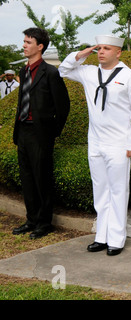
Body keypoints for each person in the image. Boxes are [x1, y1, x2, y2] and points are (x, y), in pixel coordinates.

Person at [58, 35, 131, 256]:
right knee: (100, 190)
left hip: (119, 143)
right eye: (99, 48)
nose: (101, 52)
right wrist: (82, 53)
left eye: (107, 48)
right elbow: (63, 70)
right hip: (95, 142)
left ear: (118, 52)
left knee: (118, 191)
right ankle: (102, 236)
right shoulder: (89, 73)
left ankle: (116, 239)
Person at [12, 28, 70, 239]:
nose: (24, 45)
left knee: (41, 179)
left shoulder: (51, 73)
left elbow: (63, 106)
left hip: (41, 135)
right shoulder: (23, 71)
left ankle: (44, 223)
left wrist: (51, 133)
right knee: (27, 179)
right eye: (24, 41)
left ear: (40, 47)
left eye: (28, 42)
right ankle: (31, 220)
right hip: (23, 132)